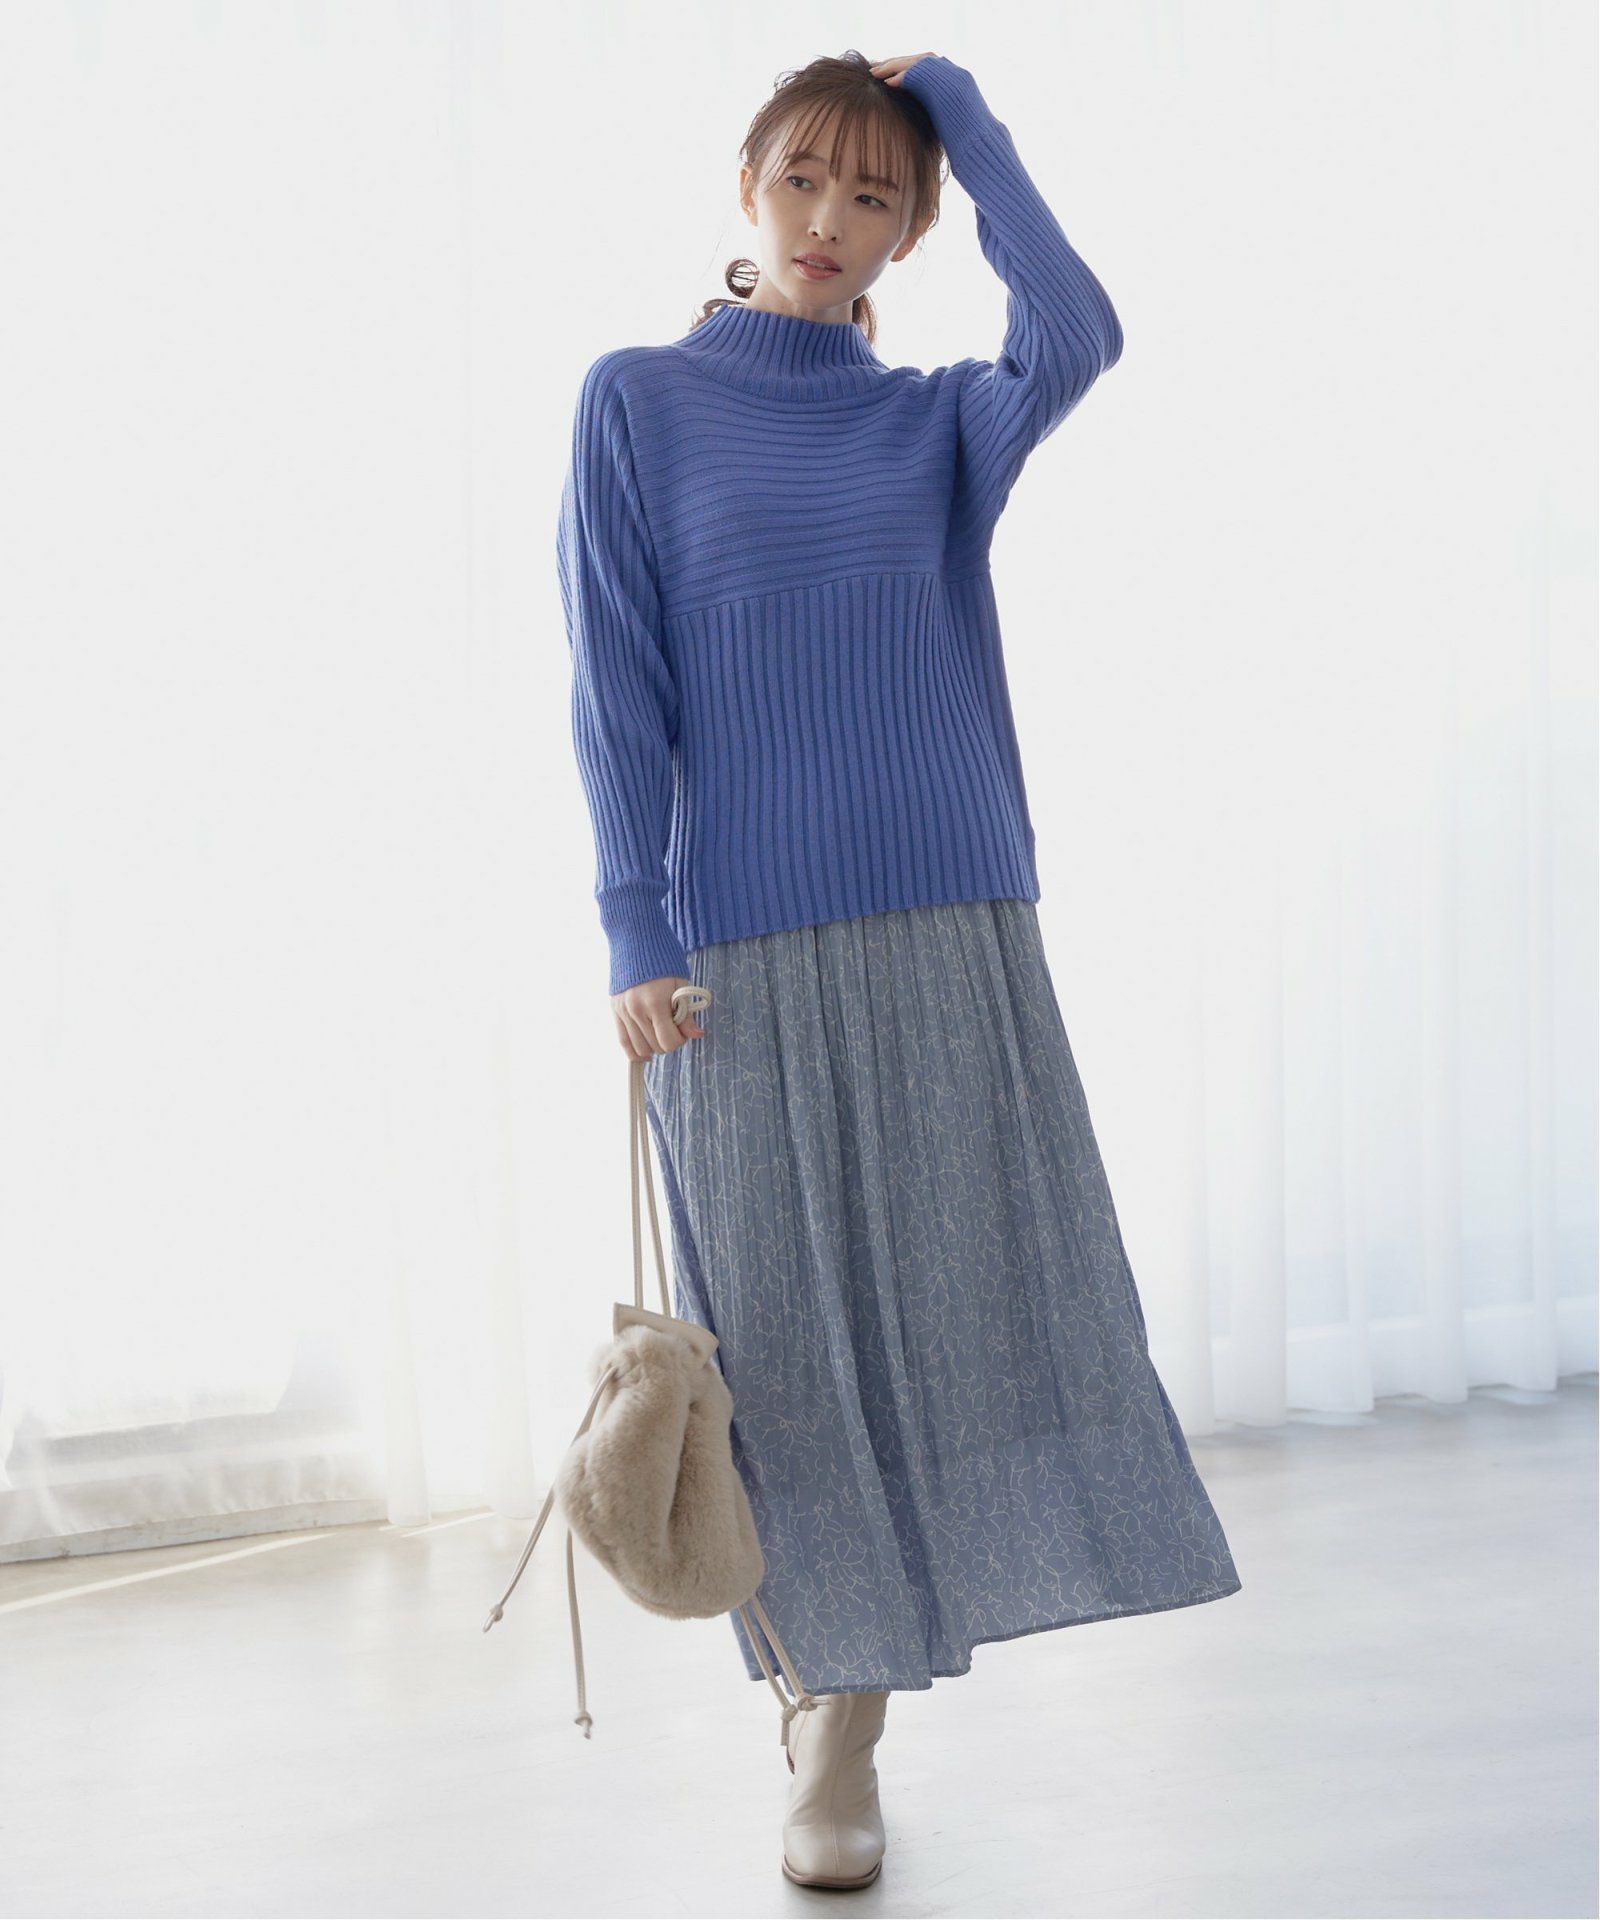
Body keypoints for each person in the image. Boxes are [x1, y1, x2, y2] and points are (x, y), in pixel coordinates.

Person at [555, 46, 1242, 1892]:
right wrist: (633, 926)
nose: (830, 221)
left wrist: (960, 108)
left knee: (949, 1318)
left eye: (875, 196)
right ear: (749, 184)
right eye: (803, 179)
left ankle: (852, 1723)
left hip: (950, 915)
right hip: (732, 947)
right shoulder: (636, 403)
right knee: (783, 1346)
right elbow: (614, 684)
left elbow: (1080, 330)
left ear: (913, 233)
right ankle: (821, 1700)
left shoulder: (939, 421)